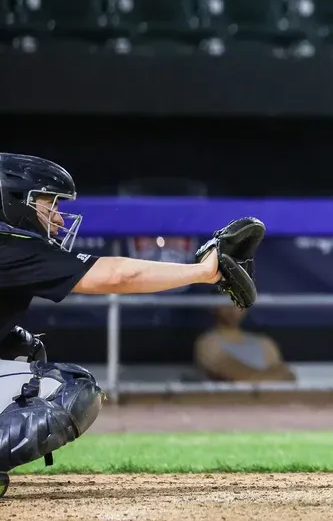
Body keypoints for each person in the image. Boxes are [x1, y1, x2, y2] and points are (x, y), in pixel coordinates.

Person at [0, 153, 263, 497]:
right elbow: (118, 274)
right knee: (71, 390)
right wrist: (203, 271)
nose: (58, 219)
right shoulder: (10, 246)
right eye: (48, 204)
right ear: (13, 199)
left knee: (20, 346)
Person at [194, 304, 296, 383]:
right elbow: (236, 376)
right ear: (213, 306)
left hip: (269, 405)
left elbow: (287, 376)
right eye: (227, 301)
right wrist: (272, 378)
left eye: (238, 301)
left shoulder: (264, 342)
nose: (233, 307)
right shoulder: (208, 343)